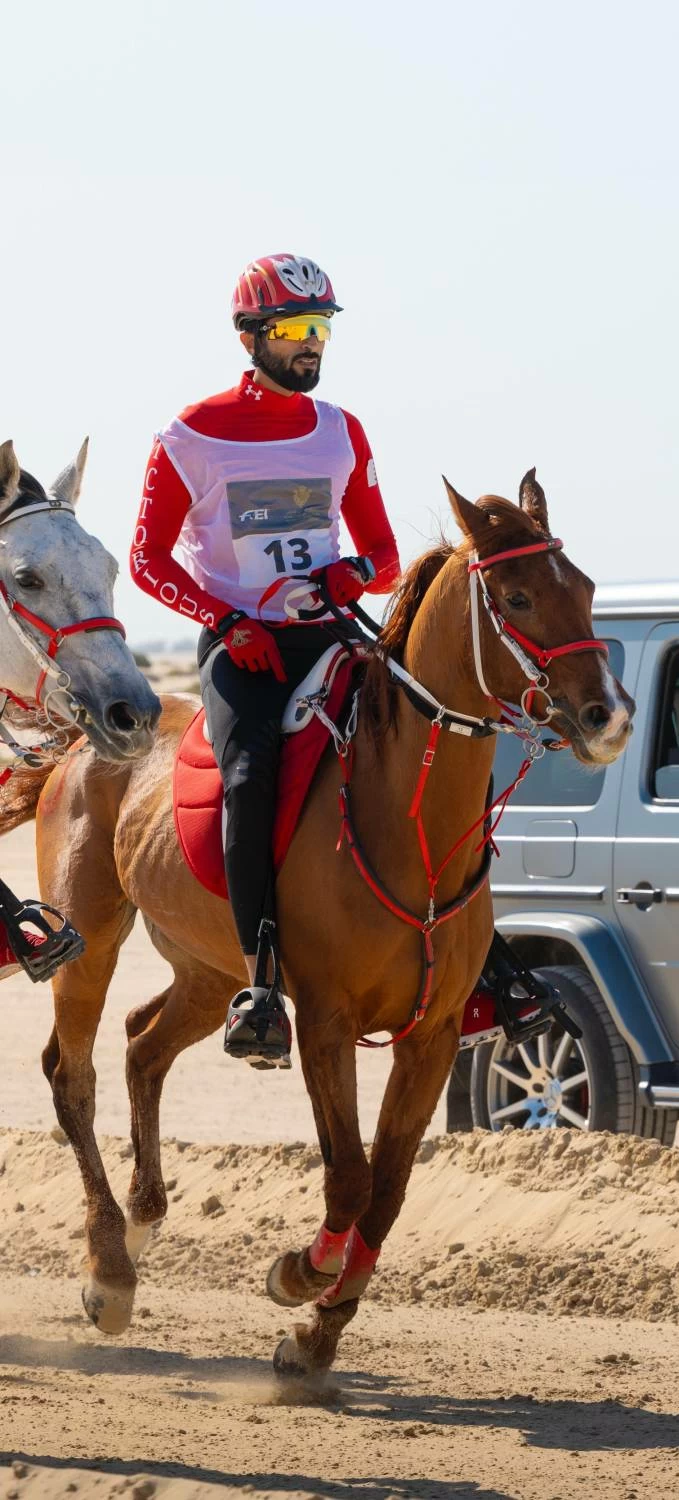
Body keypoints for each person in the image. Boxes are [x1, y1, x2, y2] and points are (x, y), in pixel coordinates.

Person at [131, 254, 400, 1067]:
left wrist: (353, 573)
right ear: (249, 335)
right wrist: (224, 617)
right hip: (242, 647)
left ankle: (480, 961)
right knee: (249, 778)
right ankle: (258, 983)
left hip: (331, 634)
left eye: (321, 328)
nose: (310, 344)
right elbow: (147, 560)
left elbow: (385, 557)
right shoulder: (190, 435)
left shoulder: (341, 430)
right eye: (293, 329)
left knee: (429, 740)